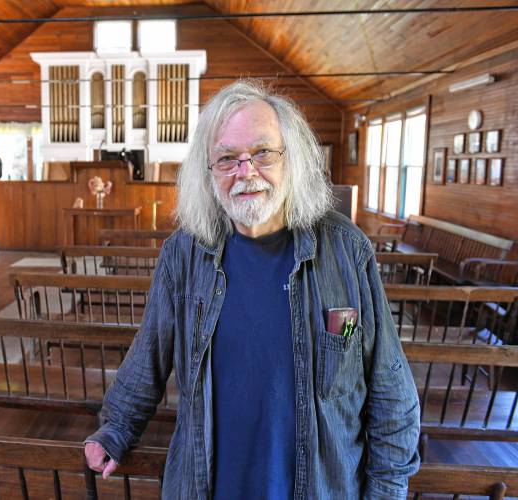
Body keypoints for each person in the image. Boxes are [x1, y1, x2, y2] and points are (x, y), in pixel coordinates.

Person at [84, 80, 420, 499]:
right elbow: (148, 354)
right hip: (209, 486)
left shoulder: (346, 250)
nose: (247, 172)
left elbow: (390, 385)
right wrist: (116, 428)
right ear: (207, 174)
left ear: (290, 157)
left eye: (263, 153)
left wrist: (387, 489)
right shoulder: (183, 255)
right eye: (227, 159)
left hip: (320, 486)